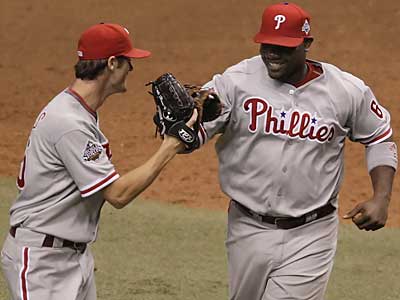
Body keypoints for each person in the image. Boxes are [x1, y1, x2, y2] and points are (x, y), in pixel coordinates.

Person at [196, 2, 397, 300]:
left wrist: (381, 199)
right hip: (246, 226)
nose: (273, 54)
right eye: (267, 45)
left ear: (306, 45)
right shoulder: (235, 81)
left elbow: (380, 137)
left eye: (284, 47)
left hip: (312, 233)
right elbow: (194, 135)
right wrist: (186, 127)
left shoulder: (345, 90)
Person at [0, 23, 196, 300]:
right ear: (113, 63)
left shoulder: (79, 111)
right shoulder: (70, 123)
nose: (132, 68)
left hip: (69, 255)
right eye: (129, 61)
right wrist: (170, 146)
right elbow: (117, 194)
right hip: (43, 264)